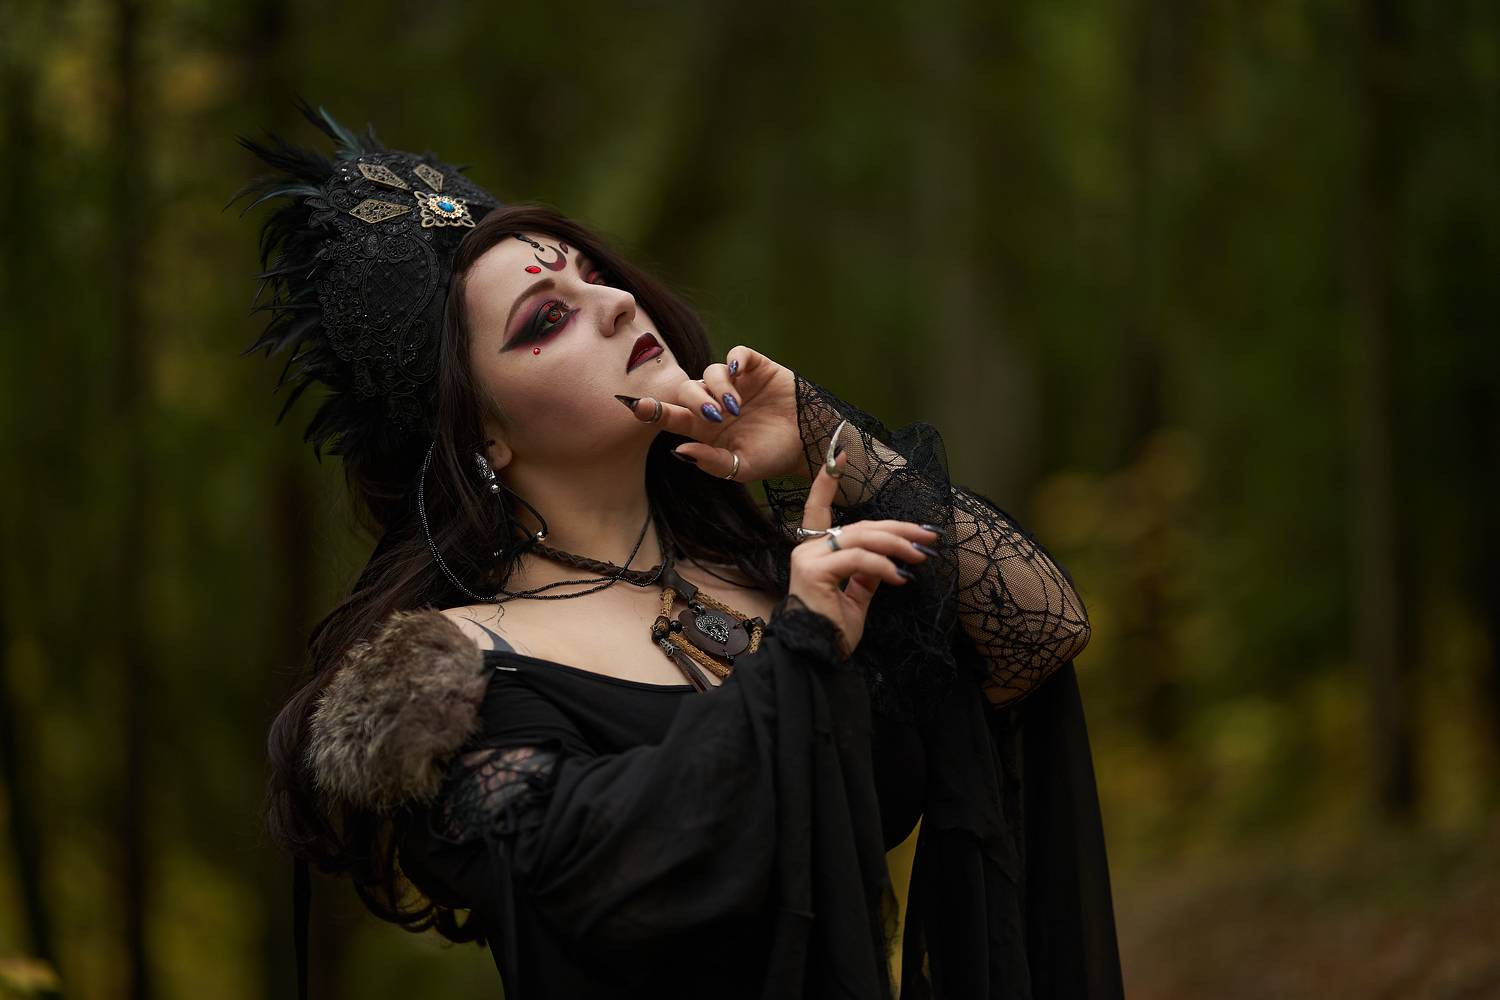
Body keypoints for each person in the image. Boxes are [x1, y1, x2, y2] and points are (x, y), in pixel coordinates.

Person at [240, 102, 1125, 1000]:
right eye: (548, 319)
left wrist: (825, 434)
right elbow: (618, 871)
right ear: (484, 435)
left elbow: (1040, 633)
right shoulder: (457, 678)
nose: (617, 304)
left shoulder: (778, 575)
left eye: (594, 277)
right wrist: (802, 654)